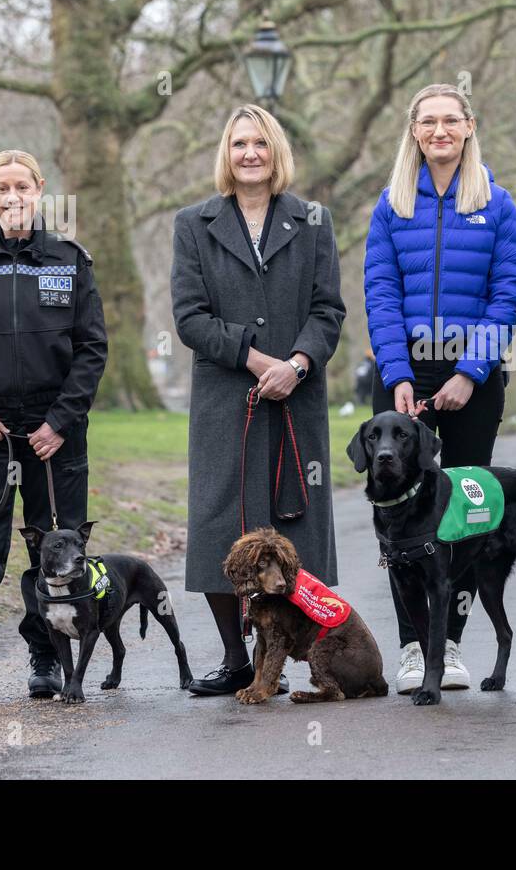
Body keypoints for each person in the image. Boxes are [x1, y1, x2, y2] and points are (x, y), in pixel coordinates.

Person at [171, 104, 345, 697]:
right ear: (227, 152)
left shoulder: (313, 220)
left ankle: (304, 652)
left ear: (277, 153)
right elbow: (190, 316)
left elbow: (328, 309)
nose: (250, 153)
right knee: (220, 519)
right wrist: (252, 358)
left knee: (297, 519)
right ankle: (234, 658)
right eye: (240, 143)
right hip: (226, 397)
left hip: (297, 396)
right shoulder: (193, 224)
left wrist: (296, 364)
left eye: (261, 143)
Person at [363, 83, 516, 694]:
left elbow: (506, 295)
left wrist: (469, 372)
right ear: (414, 130)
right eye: (428, 121)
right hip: (405, 374)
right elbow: (380, 294)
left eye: (450, 120)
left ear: (468, 126)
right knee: (398, 513)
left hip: (472, 379)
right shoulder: (391, 206)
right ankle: (413, 648)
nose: (439, 131)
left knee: (462, 517)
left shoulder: (497, 204)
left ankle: (449, 645)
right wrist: (398, 374)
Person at [0, 149, 108, 706]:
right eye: (2, 188)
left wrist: (60, 421)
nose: (12, 197)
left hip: (55, 434)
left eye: (22, 187)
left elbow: (91, 348)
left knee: (57, 545)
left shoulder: (69, 259)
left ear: (39, 190)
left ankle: (47, 654)